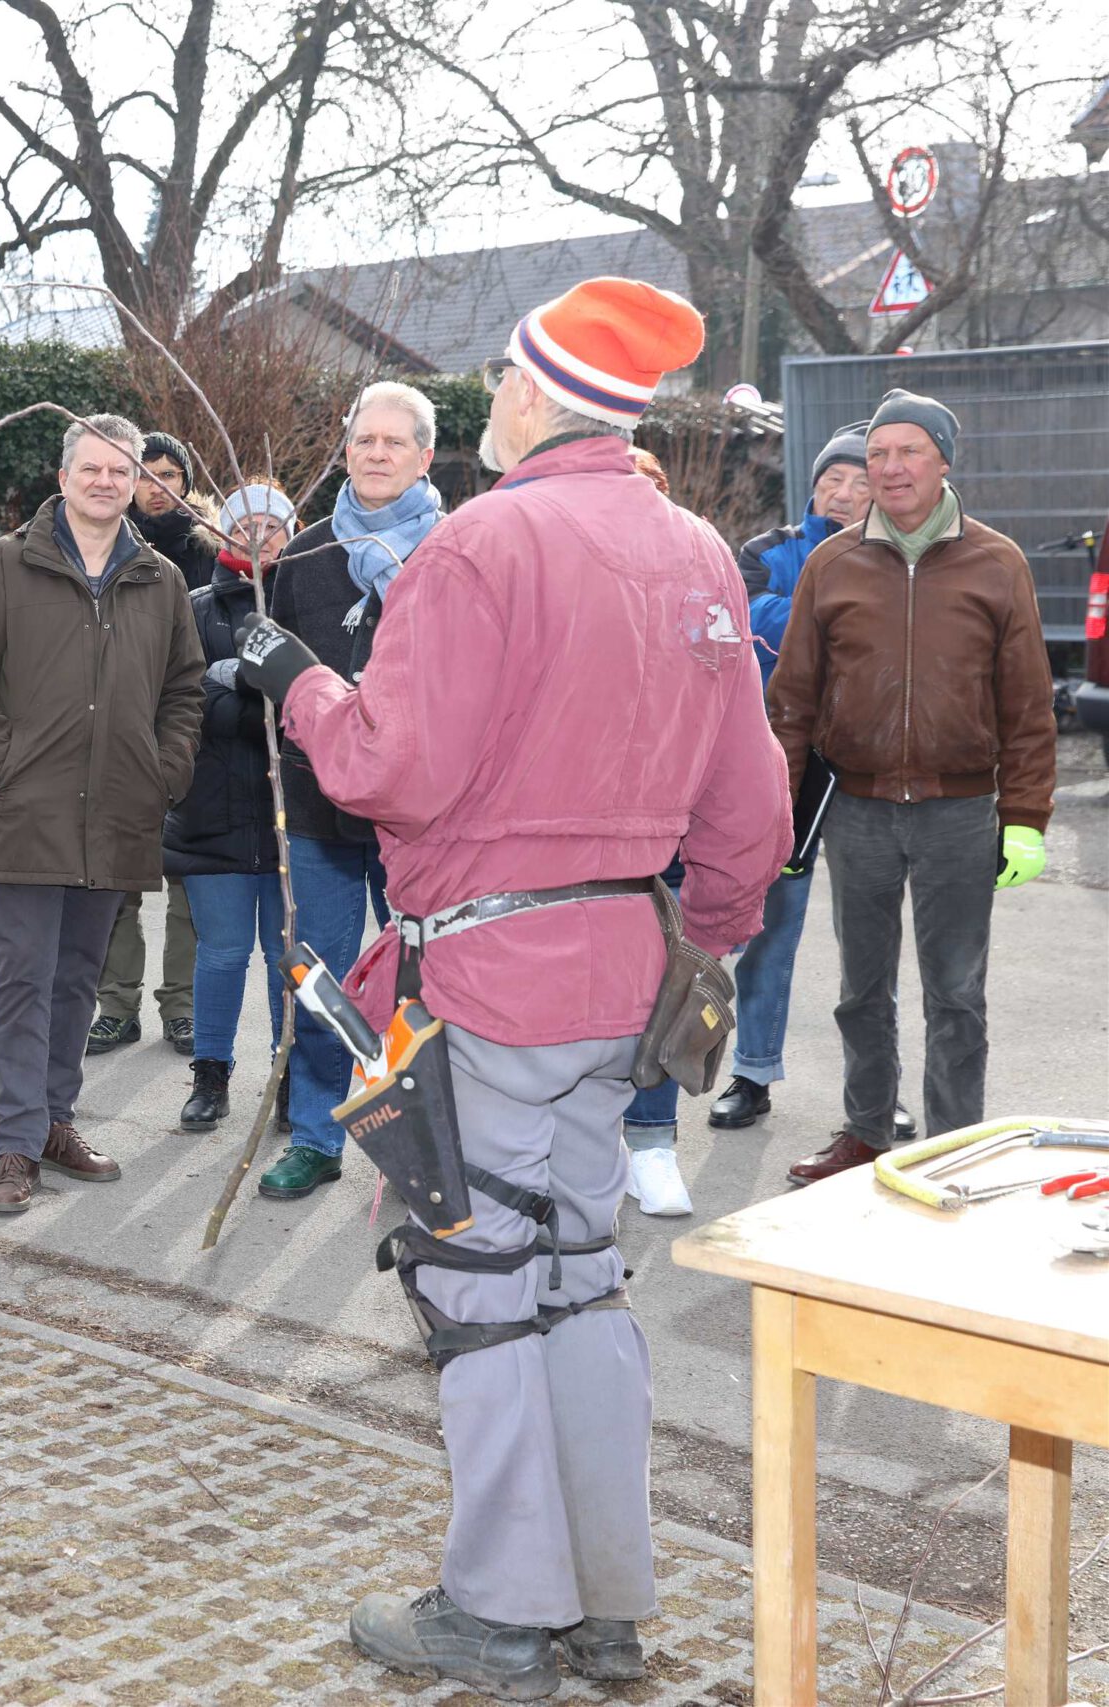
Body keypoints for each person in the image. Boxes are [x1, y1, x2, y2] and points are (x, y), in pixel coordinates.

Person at [235, 279, 786, 1694]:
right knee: (580, 1272)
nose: (491, 399)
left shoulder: (482, 543)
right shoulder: (697, 551)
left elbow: (389, 767)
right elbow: (749, 809)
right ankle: (605, 1603)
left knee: (475, 1278)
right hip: (625, 983)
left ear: (534, 395)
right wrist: (702, 942)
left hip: (487, 981)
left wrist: (297, 682)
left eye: (500, 380)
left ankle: (498, 1609)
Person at [766, 388, 1056, 1186]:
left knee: (956, 993)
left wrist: (1025, 815)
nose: (890, 468)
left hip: (959, 812)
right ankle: (866, 1131)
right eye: (878, 454)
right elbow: (792, 702)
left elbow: (1028, 704)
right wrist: (781, 813)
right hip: (856, 810)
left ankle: (954, 1145)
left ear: (943, 463)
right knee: (860, 989)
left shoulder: (997, 562)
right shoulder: (832, 562)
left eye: (909, 452)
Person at [0, 413, 203, 1214]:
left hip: (120, 809)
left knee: (79, 977)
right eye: (92, 467)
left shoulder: (159, 578)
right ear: (63, 477)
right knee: (24, 976)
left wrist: (163, 773)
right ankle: (16, 1143)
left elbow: (184, 689)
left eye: (121, 470)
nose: (106, 481)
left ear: (136, 482)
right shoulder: (6, 563)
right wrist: (1, 765)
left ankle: (55, 1119)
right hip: (32, 809)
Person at [701, 424, 915, 1141]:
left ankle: (879, 1088)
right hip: (784, 761)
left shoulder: (908, 555)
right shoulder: (766, 551)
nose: (844, 493)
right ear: (814, 486)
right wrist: (847, 612)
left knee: (871, 934)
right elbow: (754, 626)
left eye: (860, 482)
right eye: (832, 480)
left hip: (871, 764)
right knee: (768, 925)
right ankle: (752, 1073)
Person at [252, 383, 439, 1200]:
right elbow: (278, 673)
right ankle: (316, 1135)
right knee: (317, 977)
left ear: (424, 457)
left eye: (394, 442)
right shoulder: (305, 553)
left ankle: (424, 1143)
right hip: (319, 809)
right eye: (365, 439)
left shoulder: (455, 552)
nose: (376, 453)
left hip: (419, 815)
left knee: (424, 986)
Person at [89, 429, 222, 1057]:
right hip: (116, 736)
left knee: (185, 886)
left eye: (169, 474)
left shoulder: (208, 549)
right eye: (145, 474)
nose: (156, 487)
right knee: (115, 882)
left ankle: (182, 1007)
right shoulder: (107, 546)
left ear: (186, 482)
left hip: (190, 733)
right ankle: (117, 1007)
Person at [167, 481, 295, 1134]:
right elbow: (185, 702)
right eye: (245, 524)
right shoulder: (192, 609)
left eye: (273, 525)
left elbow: (310, 702)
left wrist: (237, 683)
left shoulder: (305, 600)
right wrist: (260, 698)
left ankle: (288, 1078)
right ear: (219, 531)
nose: (258, 536)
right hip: (210, 813)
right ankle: (209, 1077)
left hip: (293, 819)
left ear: (291, 533)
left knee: (285, 960)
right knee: (220, 954)